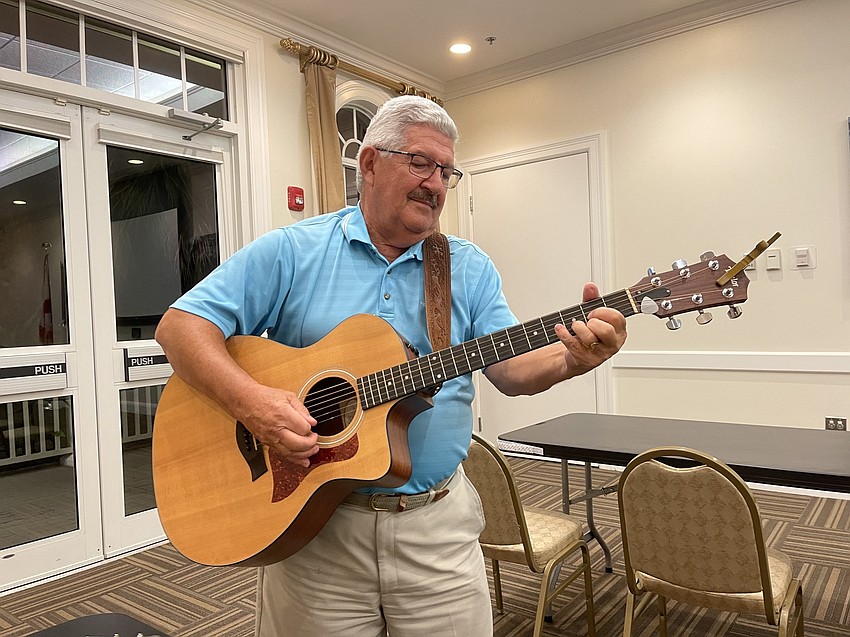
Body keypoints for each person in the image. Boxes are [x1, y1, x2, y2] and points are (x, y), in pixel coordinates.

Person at [155, 95, 627, 637]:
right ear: (371, 164)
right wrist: (253, 404)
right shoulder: (292, 250)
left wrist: (572, 356)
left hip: (437, 529)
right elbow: (180, 327)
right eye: (421, 162)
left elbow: (512, 370)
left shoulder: (465, 267)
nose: (435, 183)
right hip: (313, 530)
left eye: (446, 172)